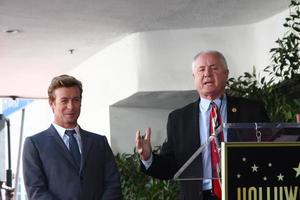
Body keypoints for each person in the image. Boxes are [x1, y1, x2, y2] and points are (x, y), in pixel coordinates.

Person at [135, 50, 269, 200]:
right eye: (201, 69)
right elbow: (170, 167)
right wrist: (148, 158)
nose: (207, 74)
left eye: (214, 68)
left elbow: (269, 152)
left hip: (242, 193)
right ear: (194, 77)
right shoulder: (178, 119)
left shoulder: (251, 110)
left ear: (226, 74)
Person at [22, 74, 122, 200]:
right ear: (52, 103)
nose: (71, 106)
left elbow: (113, 185)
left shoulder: (99, 142)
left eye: (76, 100)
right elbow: (36, 191)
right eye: (64, 101)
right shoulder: (34, 144)